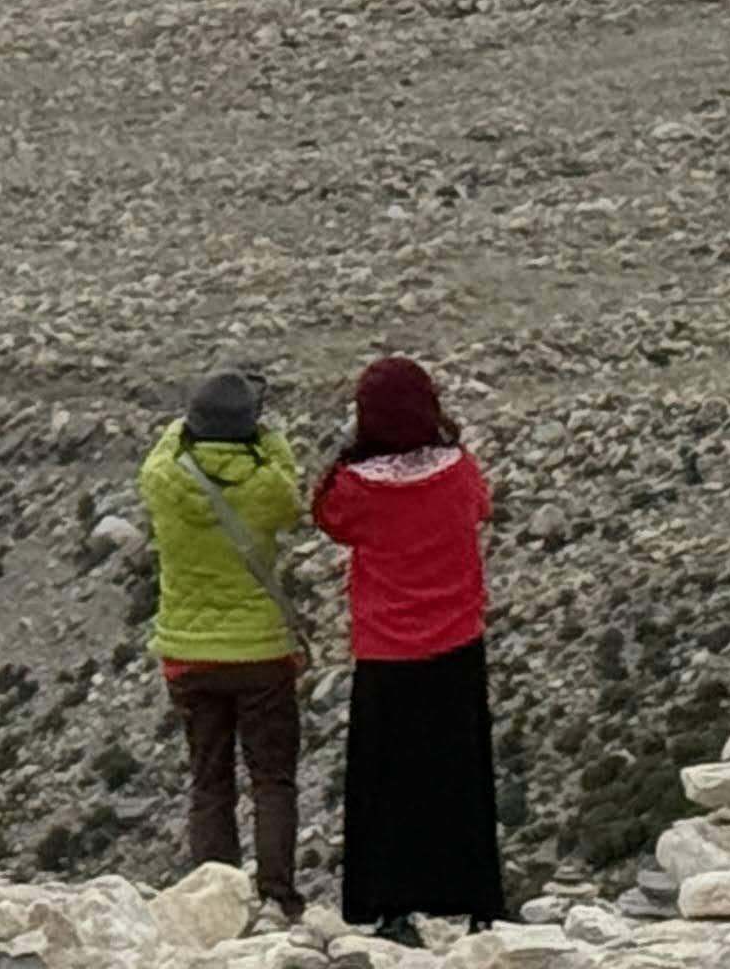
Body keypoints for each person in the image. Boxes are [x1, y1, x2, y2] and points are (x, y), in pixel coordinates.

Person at [312, 356, 505, 942]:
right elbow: (483, 507)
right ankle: (475, 899)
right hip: (455, 642)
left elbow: (327, 517)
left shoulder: (357, 488)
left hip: (387, 651)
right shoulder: (458, 471)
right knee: (460, 773)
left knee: (386, 780)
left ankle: (390, 905)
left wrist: (349, 454)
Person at [142, 368, 308, 925]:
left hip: (188, 654)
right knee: (272, 778)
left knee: (209, 778)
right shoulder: (266, 487)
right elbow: (292, 495)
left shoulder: (164, 476)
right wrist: (269, 434)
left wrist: (190, 423)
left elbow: (167, 442)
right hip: (261, 652)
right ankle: (278, 895)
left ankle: (214, 892)